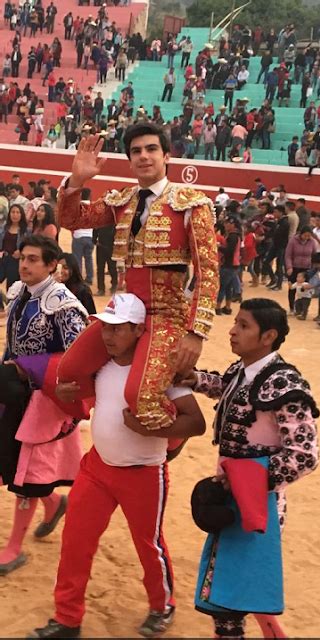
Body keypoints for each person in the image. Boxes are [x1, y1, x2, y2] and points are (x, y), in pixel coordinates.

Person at [29, 293, 206, 639]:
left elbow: (196, 423)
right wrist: (70, 395)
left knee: (148, 545)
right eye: (105, 327)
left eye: (118, 329)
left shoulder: (159, 373)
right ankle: (67, 619)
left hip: (143, 473)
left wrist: (152, 429)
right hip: (97, 468)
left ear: (140, 330)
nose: (108, 336)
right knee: (76, 541)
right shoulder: (101, 366)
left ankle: (162, 605)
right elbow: (92, 401)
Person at [56, 123, 218, 430]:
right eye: (136, 151)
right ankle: (111, 406)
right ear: (130, 160)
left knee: (142, 398)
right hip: (124, 314)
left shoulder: (191, 203)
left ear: (167, 156)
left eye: (151, 149)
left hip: (166, 315)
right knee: (70, 370)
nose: (144, 156)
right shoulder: (123, 201)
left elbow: (208, 270)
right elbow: (71, 219)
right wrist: (77, 179)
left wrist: (196, 333)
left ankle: (171, 440)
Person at [182, 298, 319, 639]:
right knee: (234, 590)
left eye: (244, 326)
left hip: (260, 506)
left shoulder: (286, 385)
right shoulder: (242, 370)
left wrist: (245, 481)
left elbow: (304, 454)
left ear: (268, 336)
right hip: (234, 498)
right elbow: (224, 388)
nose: (232, 331)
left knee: (230, 598)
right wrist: (193, 378)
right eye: (235, 323)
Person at [0, 235, 88, 575]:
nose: (24, 265)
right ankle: (54, 504)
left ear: (53, 265)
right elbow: (13, 347)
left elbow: (79, 359)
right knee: (14, 462)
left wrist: (31, 370)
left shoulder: (64, 305)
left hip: (46, 399)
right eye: (23, 258)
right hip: (15, 393)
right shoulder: (19, 292)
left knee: (29, 474)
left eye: (34, 259)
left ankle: (13, 548)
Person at [285, 227, 317, 314]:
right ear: (301, 234)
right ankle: (292, 308)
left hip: (306, 269)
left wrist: (313, 268)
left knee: (304, 289)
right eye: (305, 235)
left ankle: (302, 309)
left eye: (309, 236)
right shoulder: (293, 241)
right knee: (292, 288)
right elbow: (288, 255)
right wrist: (289, 267)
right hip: (294, 267)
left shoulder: (312, 242)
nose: (307, 237)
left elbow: (314, 255)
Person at [215, 215, 241, 316]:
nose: (225, 225)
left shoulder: (232, 236)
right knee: (228, 287)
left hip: (228, 264)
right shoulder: (235, 235)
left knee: (222, 286)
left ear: (232, 224)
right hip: (233, 264)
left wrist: (219, 247)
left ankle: (217, 307)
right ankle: (227, 307)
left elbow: (229, 251)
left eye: (227, 223)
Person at [0, 204, 29, 290]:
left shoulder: (25, 230)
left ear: (21, 214)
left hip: (15, 261)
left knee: (11, 287)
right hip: (3, 258)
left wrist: (21, 251)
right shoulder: (4, 227)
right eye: (13, 212)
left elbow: (30, 245)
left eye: (17, 212)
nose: (15, 215)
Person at [264, 205, 289, 291]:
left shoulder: (285, 223)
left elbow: (278, 234)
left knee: (279, 265)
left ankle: (279, 285)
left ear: (281, 212)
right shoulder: (278, 221)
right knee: (266, 262)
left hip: (281, 246)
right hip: (275, 245)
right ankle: (273, 279)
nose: (274, 214)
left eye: (275, 212)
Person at [92, 223, 117, 296]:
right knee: (101, 268)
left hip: (110, 247)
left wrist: (94, 240)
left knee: (111, 267)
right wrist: (94, 240)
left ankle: (113, 285)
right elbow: (95, 229)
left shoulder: (113, 220)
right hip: (102, 246)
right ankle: (101, 289)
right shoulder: (101, 220)